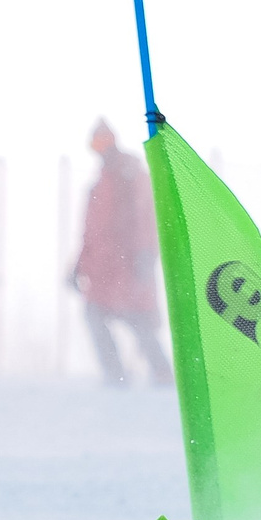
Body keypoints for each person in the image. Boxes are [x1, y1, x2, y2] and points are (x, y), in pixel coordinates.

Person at [72, 118, 171, 387]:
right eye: (96, 143)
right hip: (102, 271)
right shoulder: (99, 185)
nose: (101, 148)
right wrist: (77, 266)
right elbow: (90, 232)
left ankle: (162, 376)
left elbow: (146, 216)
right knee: (95, 315)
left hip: (126, 266)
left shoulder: (131, 174)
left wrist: (145, 254)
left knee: (140, 323)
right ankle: (116, 377)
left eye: (104, 141)